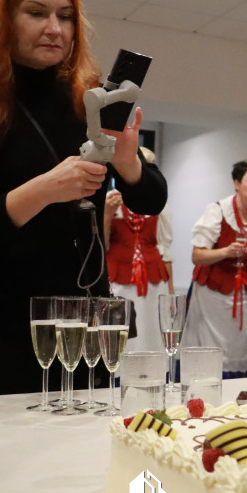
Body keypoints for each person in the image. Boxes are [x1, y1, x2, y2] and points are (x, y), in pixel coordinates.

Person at [0, 0, 167, 396]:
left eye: (65, 17)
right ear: (2, 18)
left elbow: (151, 199)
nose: (55, 28)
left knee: (94, 436)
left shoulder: (87, 97)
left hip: (88, 322)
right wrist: (43, 190)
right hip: (7, 328)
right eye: (36, 13)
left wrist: (128, 163)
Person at [184, 159, 247, 378]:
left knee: (243, 348)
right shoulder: (217, 210)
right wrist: (225, 252)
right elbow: (197, 255)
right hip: (213, 291)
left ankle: (243, 387)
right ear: (237, 184)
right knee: (212, 347)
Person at [104, 146, 175, 352]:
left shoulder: (159, 204)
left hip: (154, 280)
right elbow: (102, 245)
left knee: (151, 330)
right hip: (119, 279)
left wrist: (171, 292)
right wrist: (107, 214)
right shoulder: (109, 200)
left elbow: (164, 250)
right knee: (122, 331)